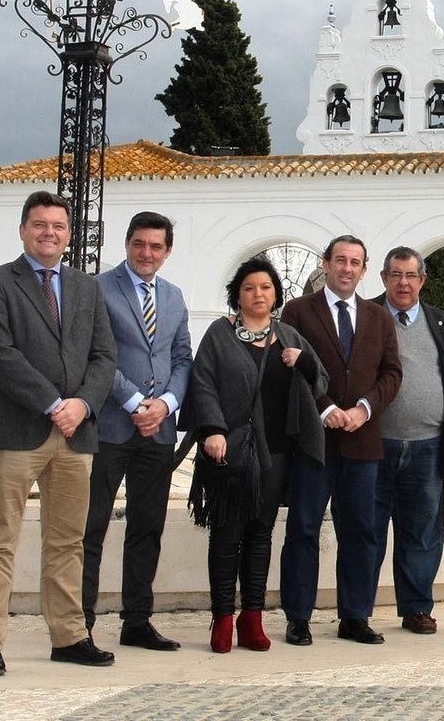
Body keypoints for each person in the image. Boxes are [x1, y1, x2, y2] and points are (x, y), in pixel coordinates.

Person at [0, 190, 119, 676]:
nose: (48, 232)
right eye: (39, 224)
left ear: (69, 234)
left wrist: (83, 403)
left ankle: (69, 635)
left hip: (76, 436)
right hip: (17, 430)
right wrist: (54, 404)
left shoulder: (86, 287)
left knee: (68, 541)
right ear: (23, 230)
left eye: (57, 225)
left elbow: (104, 356)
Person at [182, 257, 328, 653]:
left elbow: (321, 382)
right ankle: (223, 619)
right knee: (227, 532)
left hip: (277, 452)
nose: (258, 294)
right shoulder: (220, 333)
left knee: (261, 533)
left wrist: (306, 361)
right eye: (249, 288)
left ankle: (253, 619)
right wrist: (212, 429)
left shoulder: (289, 336)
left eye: (265, 287)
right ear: (238, 295)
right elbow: (203, 382)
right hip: (228, 449)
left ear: (276, 294)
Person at [277, 235, 403, 646]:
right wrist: (326, 408)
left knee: (361, 531)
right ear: (326, 263)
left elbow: (391, 374)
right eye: (340, 260)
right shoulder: (297, 311)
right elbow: (288, 369)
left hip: (363, 440)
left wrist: (364, 408)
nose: (347, 268)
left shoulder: (379, 317)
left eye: (355, 262)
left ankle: (355, 616)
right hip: (314, 442)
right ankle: (298, 617)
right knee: (304, 528)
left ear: (364, 270)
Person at [81, 212, 193, 652]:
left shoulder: (174, 296)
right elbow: (98, 354)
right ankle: (81, 622)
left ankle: (137, 621)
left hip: (158, 432)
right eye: (139, 244)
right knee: (91, 528)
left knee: (148, 526)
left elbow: (183, 358)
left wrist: (166, 404)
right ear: (126, 244)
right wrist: (132, 403)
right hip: (110, 426)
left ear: (167, 251)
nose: (147, 253)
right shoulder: (98, 289)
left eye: (156, 246)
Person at [370, 247, 444, 634]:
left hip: (429, 446)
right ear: (383, 278)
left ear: (422, 280)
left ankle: (416, 608)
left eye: (410, 275)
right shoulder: (366, 318)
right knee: (368, 529)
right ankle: (358, 610)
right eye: (395, 275)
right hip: (375, 446)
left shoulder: (442, 325)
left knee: (424, 532)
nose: (403, 282)